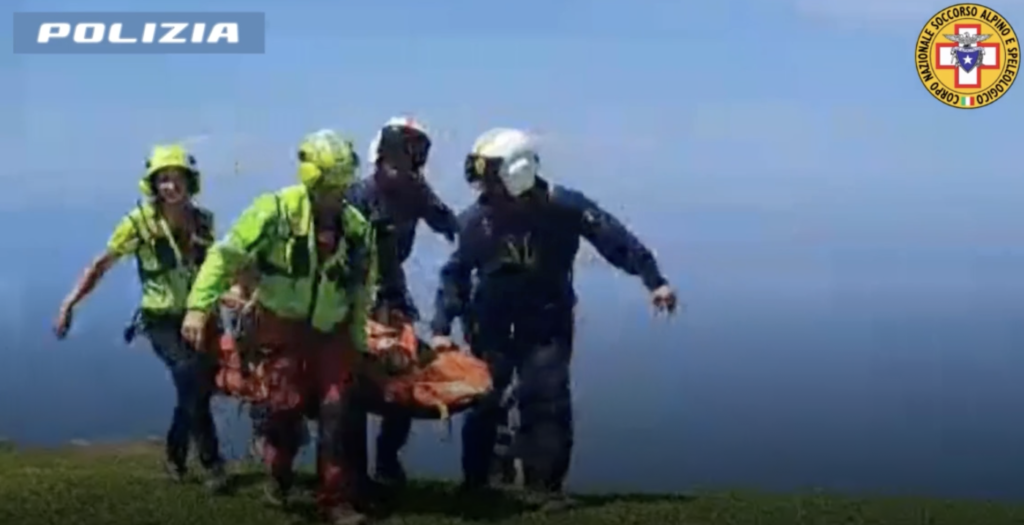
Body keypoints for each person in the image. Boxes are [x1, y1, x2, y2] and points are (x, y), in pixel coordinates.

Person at [430, 128, 679, 511]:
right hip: (489, 321)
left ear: (516, 172)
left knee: (546, 400)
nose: (484, 188)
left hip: (546, 321)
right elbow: (455, 275)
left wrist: (654, 281)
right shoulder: (475, 221)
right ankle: (479, 482)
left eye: (491, 178)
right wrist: (441, 328)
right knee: (483, 398)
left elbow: (615, 239)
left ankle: (544, 487)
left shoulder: (565, 208)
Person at [181, 129, 378, 525]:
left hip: (331, 331)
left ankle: (334, 501)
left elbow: (361, 288)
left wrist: (358, 342)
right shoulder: (273, 212)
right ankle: (279, 473)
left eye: (342, 185)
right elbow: (224, 257)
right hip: (280, 329)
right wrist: (197, 308)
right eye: (330, 186)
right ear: (312, 180)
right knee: (283, 412)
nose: (337, 194)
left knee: (337, 411)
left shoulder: (357, 230)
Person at [53, 144, 228, 492]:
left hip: (202, 316)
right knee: (189, 373)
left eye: (176, 179)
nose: (170, 186)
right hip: (160, 319)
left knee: (196, 391)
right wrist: (69, 304)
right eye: (163, 180)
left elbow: (217, 269)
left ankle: (175, 458)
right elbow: (102, 264)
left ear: (189, 182)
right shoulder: (138, 223)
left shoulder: (203, 222)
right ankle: (212, 464)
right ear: (153, 185)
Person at [349, 116, 459, 487]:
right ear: (380, 156)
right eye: (398, 157)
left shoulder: (417, 194)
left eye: (412, 158)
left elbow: (450, 226)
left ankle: (386, 460)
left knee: (406, 378)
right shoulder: (358, 195)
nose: (404, 166)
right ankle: (354, 472)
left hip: (392, 293)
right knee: (352, 386)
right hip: (351, 298)